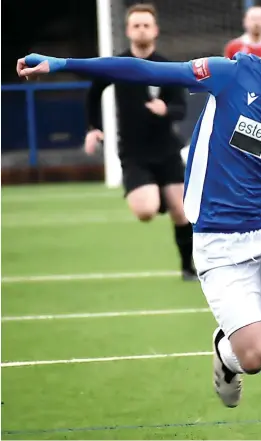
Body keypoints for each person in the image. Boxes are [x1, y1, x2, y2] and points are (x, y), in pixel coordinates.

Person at [17, 2, 261, 439]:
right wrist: (62, 63)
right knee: (255, 357)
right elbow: (143, 71)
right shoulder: (231, 74)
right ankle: (226, 351)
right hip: (219, 242)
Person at [85, 3, 197, 280]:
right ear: (128, 31)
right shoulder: (118, 66)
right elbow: (93, 92)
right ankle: (156, 196)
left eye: (146, 24)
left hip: (167, 151)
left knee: (183, 212)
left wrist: (166, 111)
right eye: (136, 25)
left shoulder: (168, 67)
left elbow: (181, 109)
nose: (141, 29)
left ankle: (188, 268)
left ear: (155, 30)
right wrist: (93, 127)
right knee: (146, 211)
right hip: (134, 153)